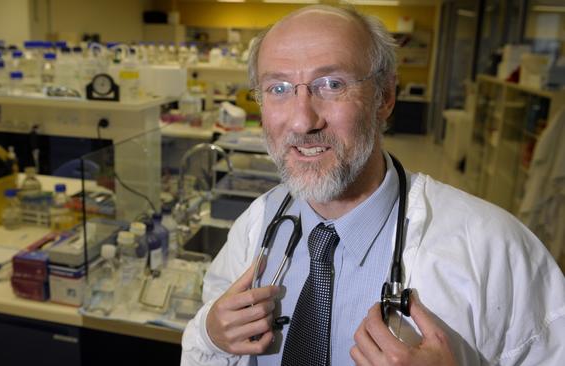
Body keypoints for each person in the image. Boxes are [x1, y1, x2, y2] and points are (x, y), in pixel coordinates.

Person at [181, 5, 565, 366]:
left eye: (331, 84)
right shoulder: (256, 224)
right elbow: (204, 343)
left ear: (385, 97)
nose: (302, 121)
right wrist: (211, 335)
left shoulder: (493, 249)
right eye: (278, 88)